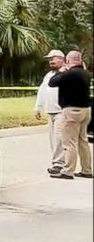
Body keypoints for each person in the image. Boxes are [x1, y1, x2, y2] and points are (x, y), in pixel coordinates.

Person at [48, 50, 92, 179]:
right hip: (86, 110)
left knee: (69, 142)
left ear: (68, 61)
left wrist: (62, 70)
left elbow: (52, 82)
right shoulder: (85, 74)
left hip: (71, 110)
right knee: (83, 140)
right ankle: (87, 169)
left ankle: (68, 171)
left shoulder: (68, 74)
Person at [34, 49, 65, 167]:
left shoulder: (65, 73)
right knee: (53, 140)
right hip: (50, 111)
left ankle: (59, 163)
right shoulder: (48, 75)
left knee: (60, 139)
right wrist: (38, 107)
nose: (50, 61)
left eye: (53, 59)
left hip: (61, 111)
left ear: (62, 59)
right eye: (49, 60)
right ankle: (57, 161)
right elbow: (42, 91)